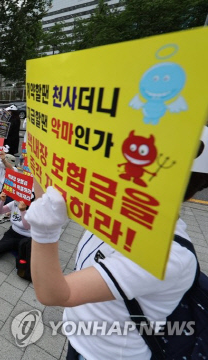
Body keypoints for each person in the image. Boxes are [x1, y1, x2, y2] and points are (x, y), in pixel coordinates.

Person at [25, 128, 208, 360]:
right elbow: (46, 200)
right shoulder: (120, 212)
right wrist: (40, 156)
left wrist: (44, 232)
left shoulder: (166, 255)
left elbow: (56, 293)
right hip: (82, 340)